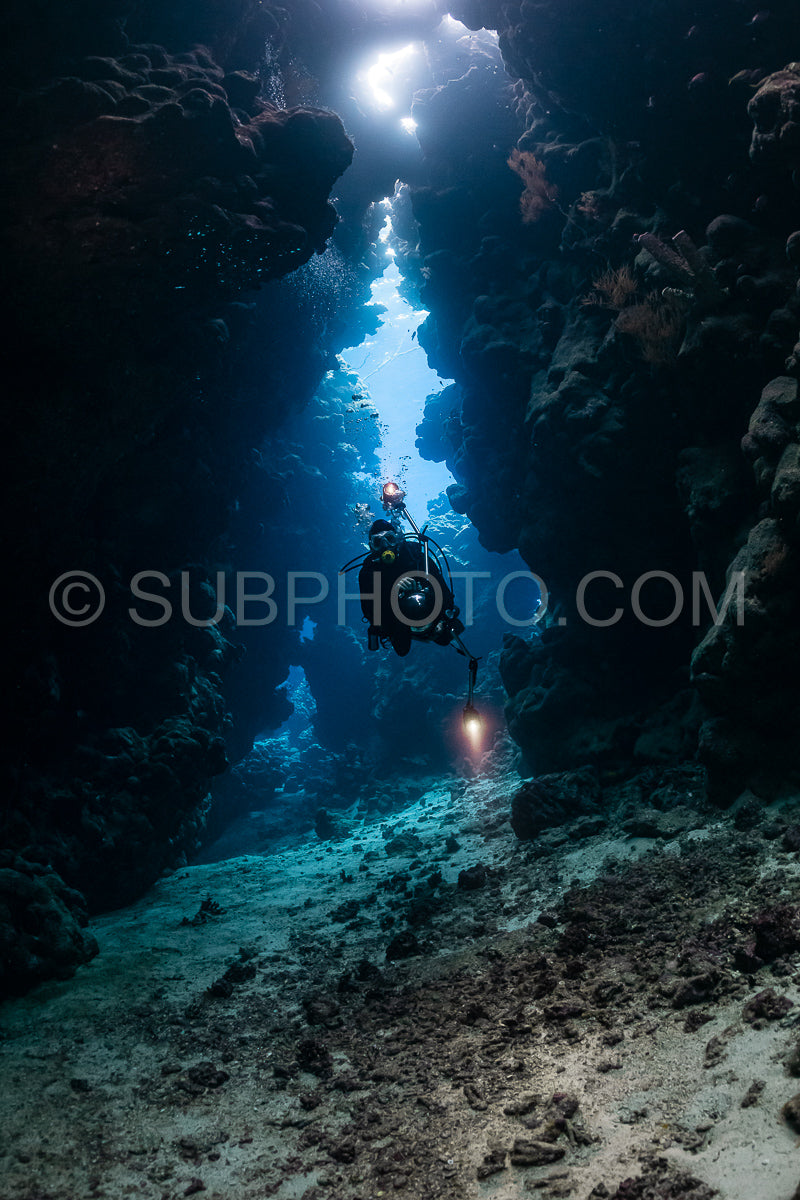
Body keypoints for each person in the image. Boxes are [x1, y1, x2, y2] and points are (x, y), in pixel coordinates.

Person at [358, 519, 461, 656]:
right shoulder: (368, 572)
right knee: (402, 649)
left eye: (389, 538)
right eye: (378, 542)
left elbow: (444, 592)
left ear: (398, 539)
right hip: (395, 620)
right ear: (372, 547)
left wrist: (443, 617)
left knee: (444, 639)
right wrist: (394, 593)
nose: (386, 546)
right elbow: (370, 612)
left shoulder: (416, 557)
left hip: (428, 610)